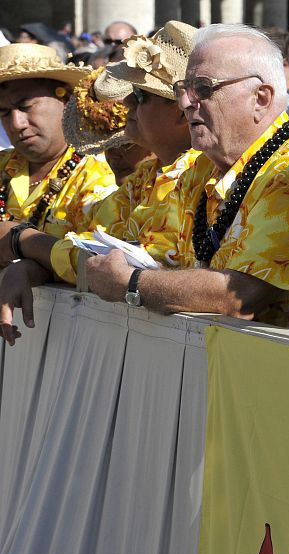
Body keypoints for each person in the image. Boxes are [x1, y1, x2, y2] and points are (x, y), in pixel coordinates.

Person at [84, 23, 289, 327]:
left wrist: (132, 284)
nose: (186, 103)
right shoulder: (202, 165)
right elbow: (159, 252)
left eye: (203, 88)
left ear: (261, 99)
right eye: (183, 90)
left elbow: (238, 296)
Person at [0, 22, 201, 345]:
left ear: (181, 112)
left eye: (140, 96)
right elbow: (86, 249)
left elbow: (121, 268)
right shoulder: (143, 180)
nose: (127, 106)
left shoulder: (198, 174)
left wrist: (22, 241)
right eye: (4, 113)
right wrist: (35, 264)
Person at [0, 43, 115, 239]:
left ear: (65, 98)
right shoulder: (4, 164)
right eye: (4, 113)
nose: (16, 123)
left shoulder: (100, 173)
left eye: (25, 106)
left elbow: (92, 260)